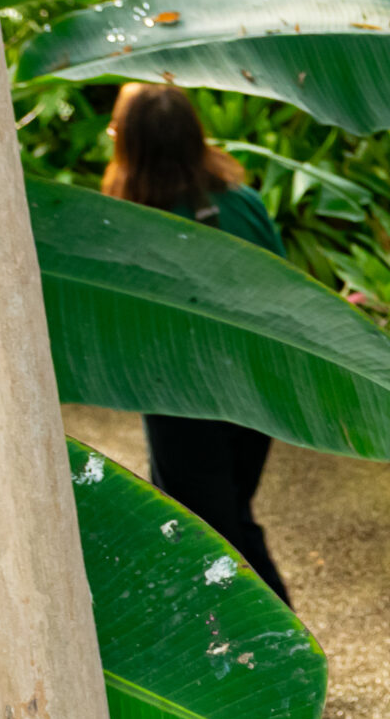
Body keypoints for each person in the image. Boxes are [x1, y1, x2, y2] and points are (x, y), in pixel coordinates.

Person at [103, 82, 293, 604]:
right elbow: (285, 293)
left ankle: (283, 649)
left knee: (212, 534)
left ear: (127, 143)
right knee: (227, 517)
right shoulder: (242, 204)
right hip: (255, 397)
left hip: (181, 399)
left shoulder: (124, 227)